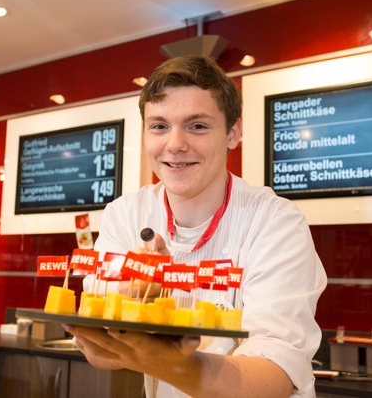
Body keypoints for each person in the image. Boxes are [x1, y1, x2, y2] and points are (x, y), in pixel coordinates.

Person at [65, 55, 327, 397]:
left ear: (233, 133)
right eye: (159, 126)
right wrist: (137, 306)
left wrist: (172, 361)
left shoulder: (275, 223)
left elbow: (276, 372)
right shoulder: (125, 214)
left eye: (197, 126)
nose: (174, 144)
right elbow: (99, 351)